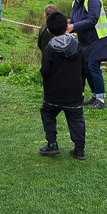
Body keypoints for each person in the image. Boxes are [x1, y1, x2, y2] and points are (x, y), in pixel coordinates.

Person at [38, 11, 88, 160]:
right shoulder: (78, 46)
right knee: (76, 118)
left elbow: (45, 70)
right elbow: (84, 68)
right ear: (67, 27)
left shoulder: (49, 49)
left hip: (53, 92)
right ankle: (79, 149)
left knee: (48, 114)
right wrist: (81, 84)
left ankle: (52, 144)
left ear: (48, 30)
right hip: (74, 91)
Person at [65, 0, 107, 110]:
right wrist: (67, 30)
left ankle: (101, 99)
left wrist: (73, 26)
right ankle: (94, 95)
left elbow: (92, 20)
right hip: (85, 40)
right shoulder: (75, 2)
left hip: (99, 38)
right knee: (86, 69)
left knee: (93, 67)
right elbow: (74, 22)